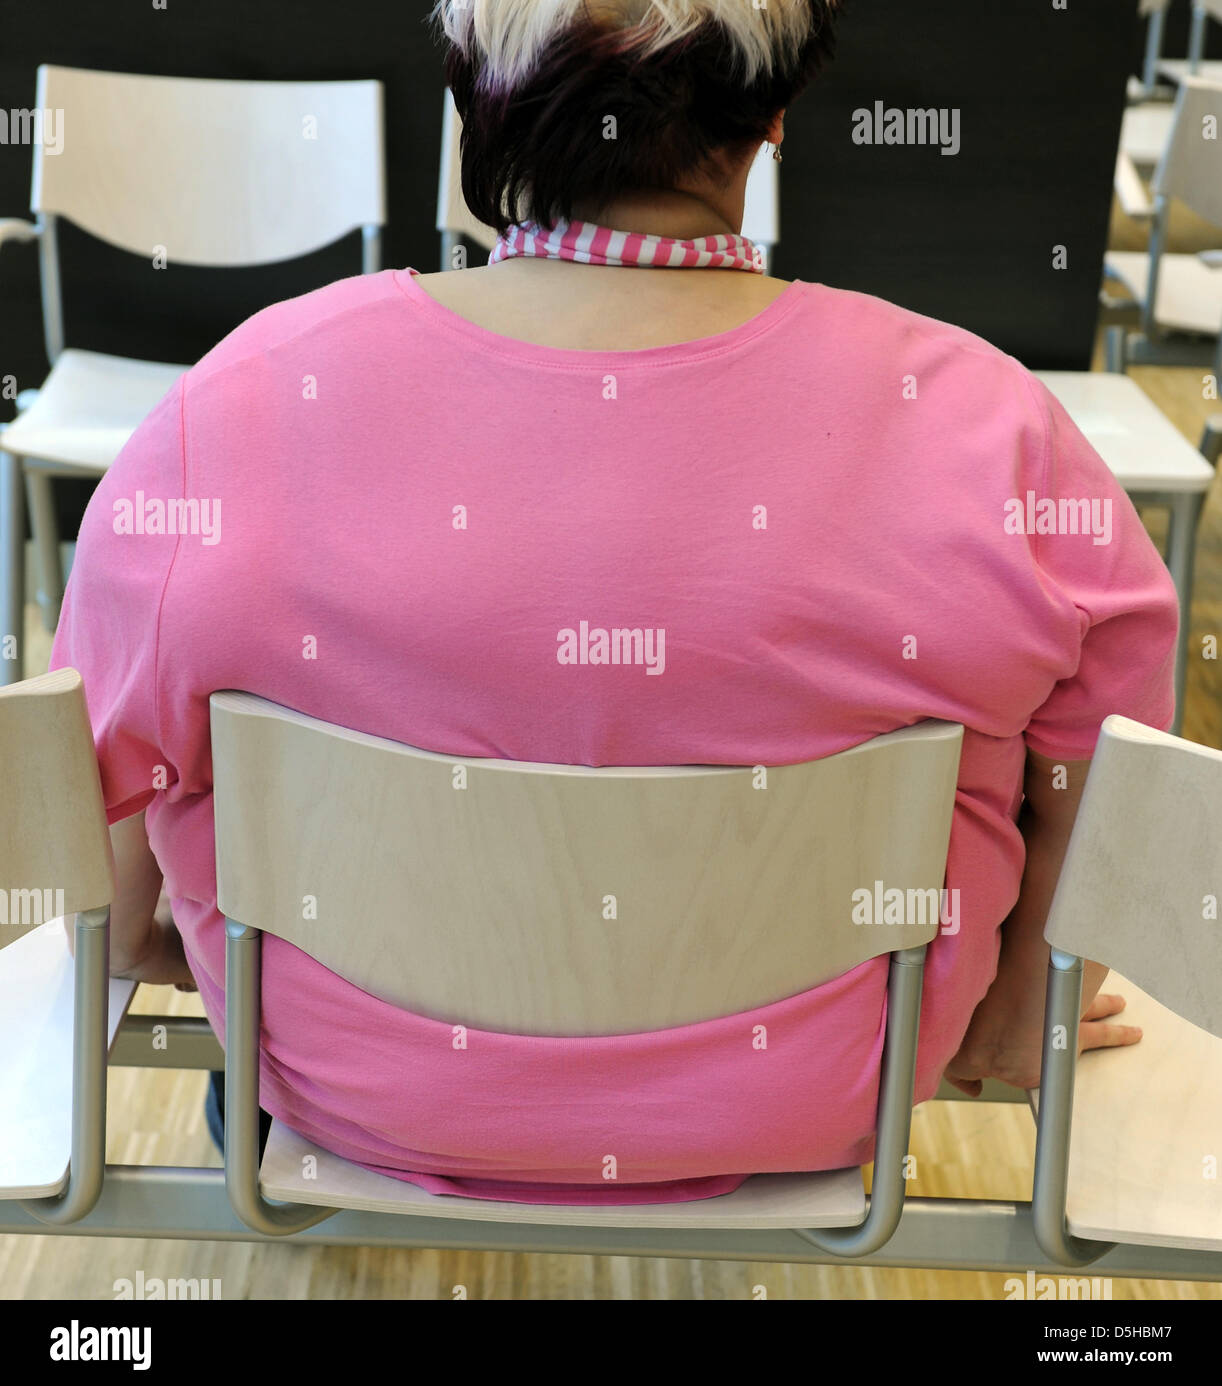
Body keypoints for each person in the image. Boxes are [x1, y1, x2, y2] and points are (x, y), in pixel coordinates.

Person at [51, 0, 1176, 1204]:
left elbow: (87, 797)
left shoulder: (243, 408)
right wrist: (1015, 1012)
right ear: (773, 117)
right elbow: (1118, 775)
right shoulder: (991, 431)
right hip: (836, 1093)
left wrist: (151, 935)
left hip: (346, 1095)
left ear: (472, 101)